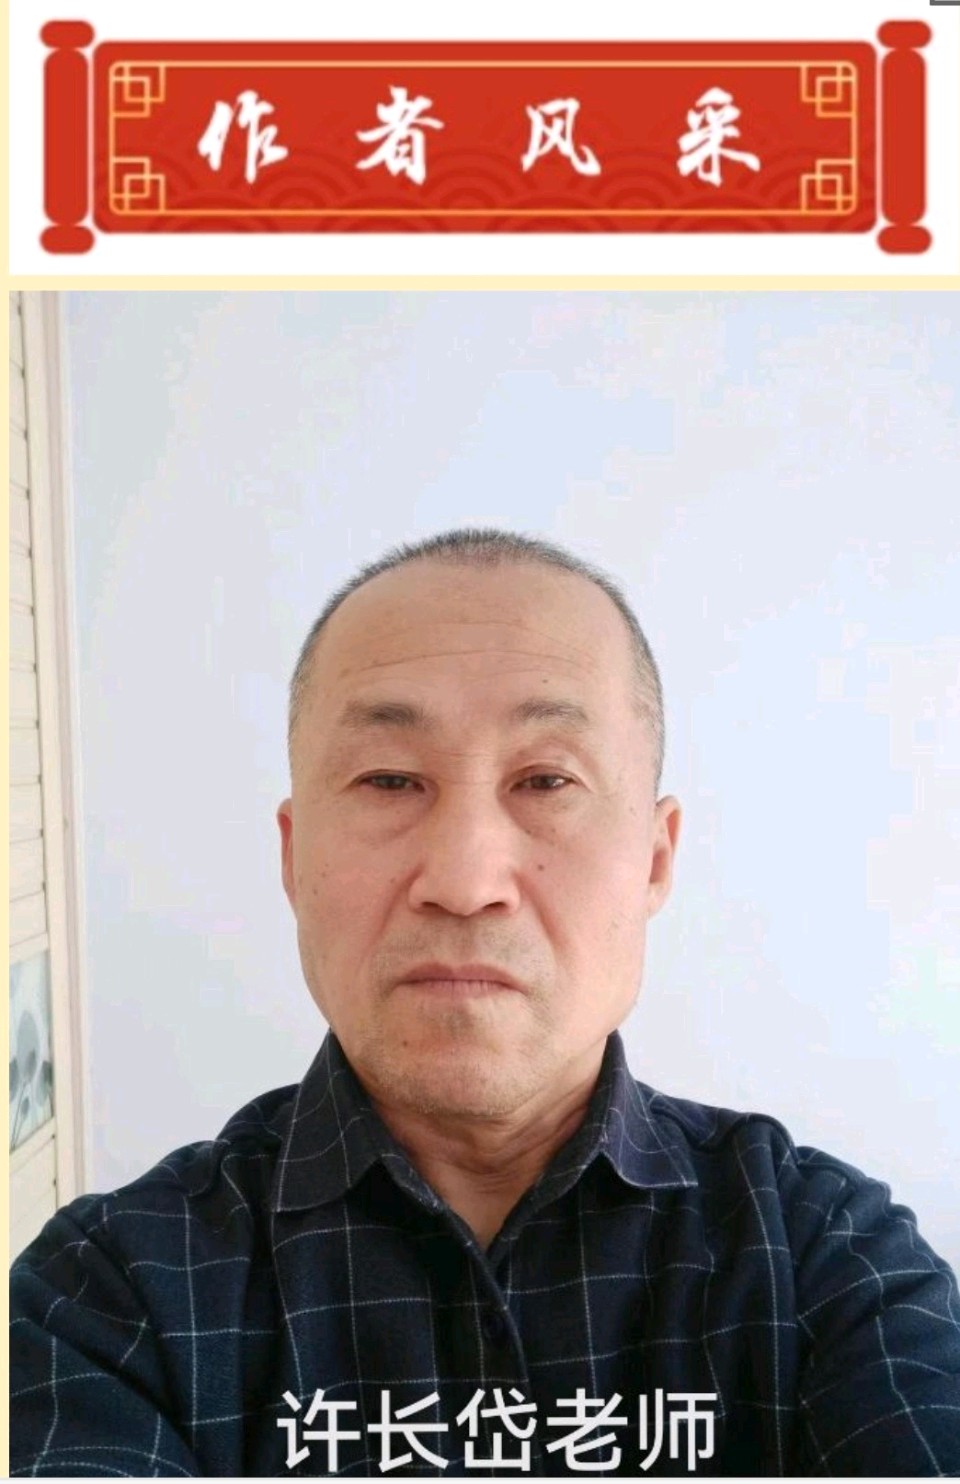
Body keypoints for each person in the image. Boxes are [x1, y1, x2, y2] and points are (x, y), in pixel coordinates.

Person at [10, 526, 960, 1478]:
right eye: (390, 779)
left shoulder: (828, 1257)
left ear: (654, 858)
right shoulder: (109, 1295)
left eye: (546, 780)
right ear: (294, 858)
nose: (464, 883)